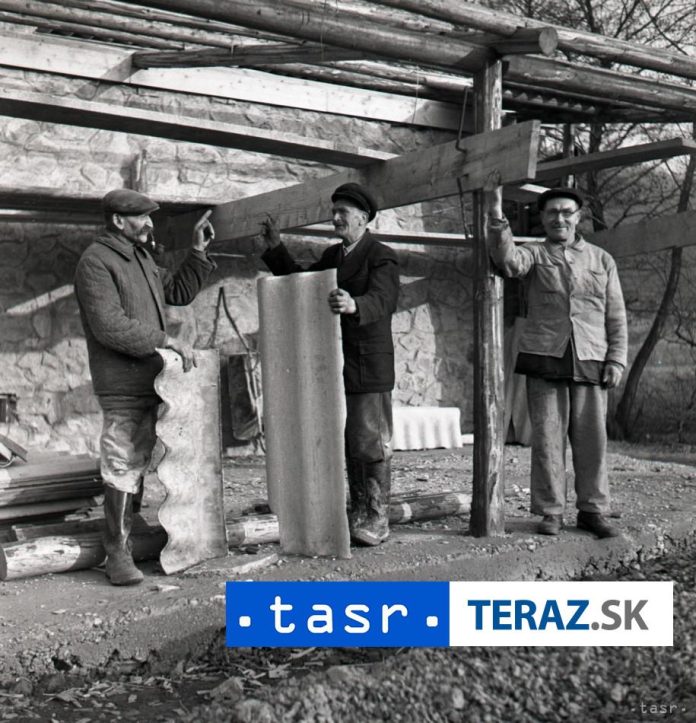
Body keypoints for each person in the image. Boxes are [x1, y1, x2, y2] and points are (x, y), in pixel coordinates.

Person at [74, 189, 216, 585]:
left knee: (137, 457)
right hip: (121, 381)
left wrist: (198, 252)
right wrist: (166, 340)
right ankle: (117, 554)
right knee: (122, 459)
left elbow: (178, 292)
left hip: (149, 378)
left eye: (150, 216)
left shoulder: (141, 259)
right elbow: (109, 326)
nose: (150, 223)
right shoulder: (96, 262)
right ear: (118, 220)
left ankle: (130, 536)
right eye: (142, 217)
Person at [260, 183, 399, 546]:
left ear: (363, 218)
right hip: (335, 364)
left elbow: (384, 299)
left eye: (343, 213)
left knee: (370, 442)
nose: (335, 218)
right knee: (349, 442)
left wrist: (355, 304)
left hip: (369, 365)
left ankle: (377, 517)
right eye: (334, 211)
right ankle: (358, 511)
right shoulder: (332, 256)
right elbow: (304, 284)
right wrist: (276, 248)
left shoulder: (381, 256)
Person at [485, 185, 627, 538]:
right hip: (545, 357)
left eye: (566, 212)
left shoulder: (601, 260)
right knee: (548, 440)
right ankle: (550, 512)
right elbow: (507, 261)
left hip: (591, 358)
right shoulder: (534, 254)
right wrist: (496, 214)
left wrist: (617, 359)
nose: (559, 218)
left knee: (592, 442)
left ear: (578, 217)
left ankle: (592, 510)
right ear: (543, 218)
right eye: (552, 212)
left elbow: (616, 315)